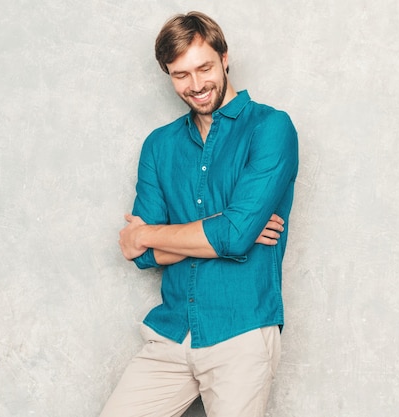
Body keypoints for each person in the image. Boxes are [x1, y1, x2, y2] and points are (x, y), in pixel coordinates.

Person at [99, 11, 298, 417]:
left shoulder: (271, 128)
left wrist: (149, 233)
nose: (196, 85)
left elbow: (235, 235)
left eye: (204, 67)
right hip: (171, 333)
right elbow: (143, 257)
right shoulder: (159, 146)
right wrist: (220, 231)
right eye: (180, 75)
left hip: (240, 330)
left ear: (224, 57)